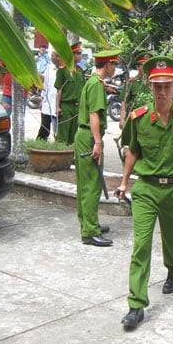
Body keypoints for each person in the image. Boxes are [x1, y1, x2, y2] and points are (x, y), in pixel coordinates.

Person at [116, 55, 173, 330]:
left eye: (167, 86)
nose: (162, 92)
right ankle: (136, 304)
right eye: (157, 87)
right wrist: (123, 183)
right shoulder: (139, 119)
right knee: (141, 246)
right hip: (146, 188)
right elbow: (132, 151)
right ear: (150, 86)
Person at [74, 49, 120, 247]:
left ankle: (89, 224)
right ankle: (89, 231)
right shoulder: (96, 85)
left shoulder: (93, 82)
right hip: (89, 137)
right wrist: (98, 142)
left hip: (85, 136)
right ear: (107, 64)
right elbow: (94, 115)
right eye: (114, 64)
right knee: (91, 185)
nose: (115, 69)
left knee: (86, 184)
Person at [55, 43, 85, 144]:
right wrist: (57, 107)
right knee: (63, 135)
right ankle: (60, 157)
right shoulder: (63, 71)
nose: (80, 55)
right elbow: (59, 90)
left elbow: (83, 90)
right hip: (66, 106)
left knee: (74, 134)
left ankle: (71, 157)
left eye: (81, 53)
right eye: (78, 53)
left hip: (77, 107)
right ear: (72, 55)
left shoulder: (80, 71)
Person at [119, 51, 152, 129]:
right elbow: (124, 101)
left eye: (148, 65)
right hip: (135, 119)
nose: (146, 68)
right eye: (143, 65)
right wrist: (122, 119)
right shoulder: (131, 82)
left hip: (151, 119)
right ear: (137, 67)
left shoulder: (156, 83)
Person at [36, 50, 61, 141]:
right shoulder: (49, 68)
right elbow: (45, 84)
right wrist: (42, 99)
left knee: (57, 131)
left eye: (53, 55)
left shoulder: (64, 70)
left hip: (57, 106)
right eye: (51, 55)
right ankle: (40, 144)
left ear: (59, 58)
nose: (51, 57)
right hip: (47, 104)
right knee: (44, 129)